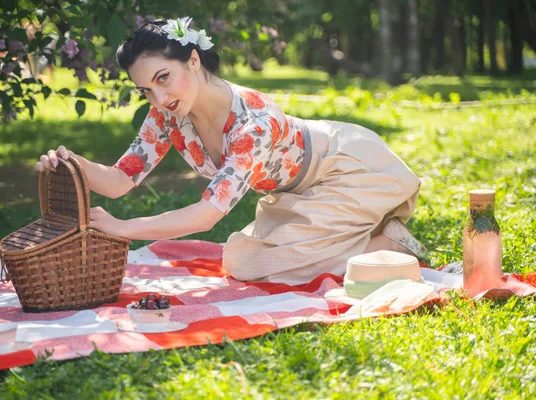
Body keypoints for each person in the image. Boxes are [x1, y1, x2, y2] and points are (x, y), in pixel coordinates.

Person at [35, 17, 428, 285]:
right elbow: (121, 179)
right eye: (146, 90)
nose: (158, 97)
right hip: (293, 195)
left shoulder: (251, 122)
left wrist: (124, 229)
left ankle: (392, 243)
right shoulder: (166, 116)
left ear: (192, 59)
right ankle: (360, 237)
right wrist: (70, 163)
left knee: (283, 267)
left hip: (345, 170)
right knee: (244, 263)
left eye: (163, 78)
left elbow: (208, 216)